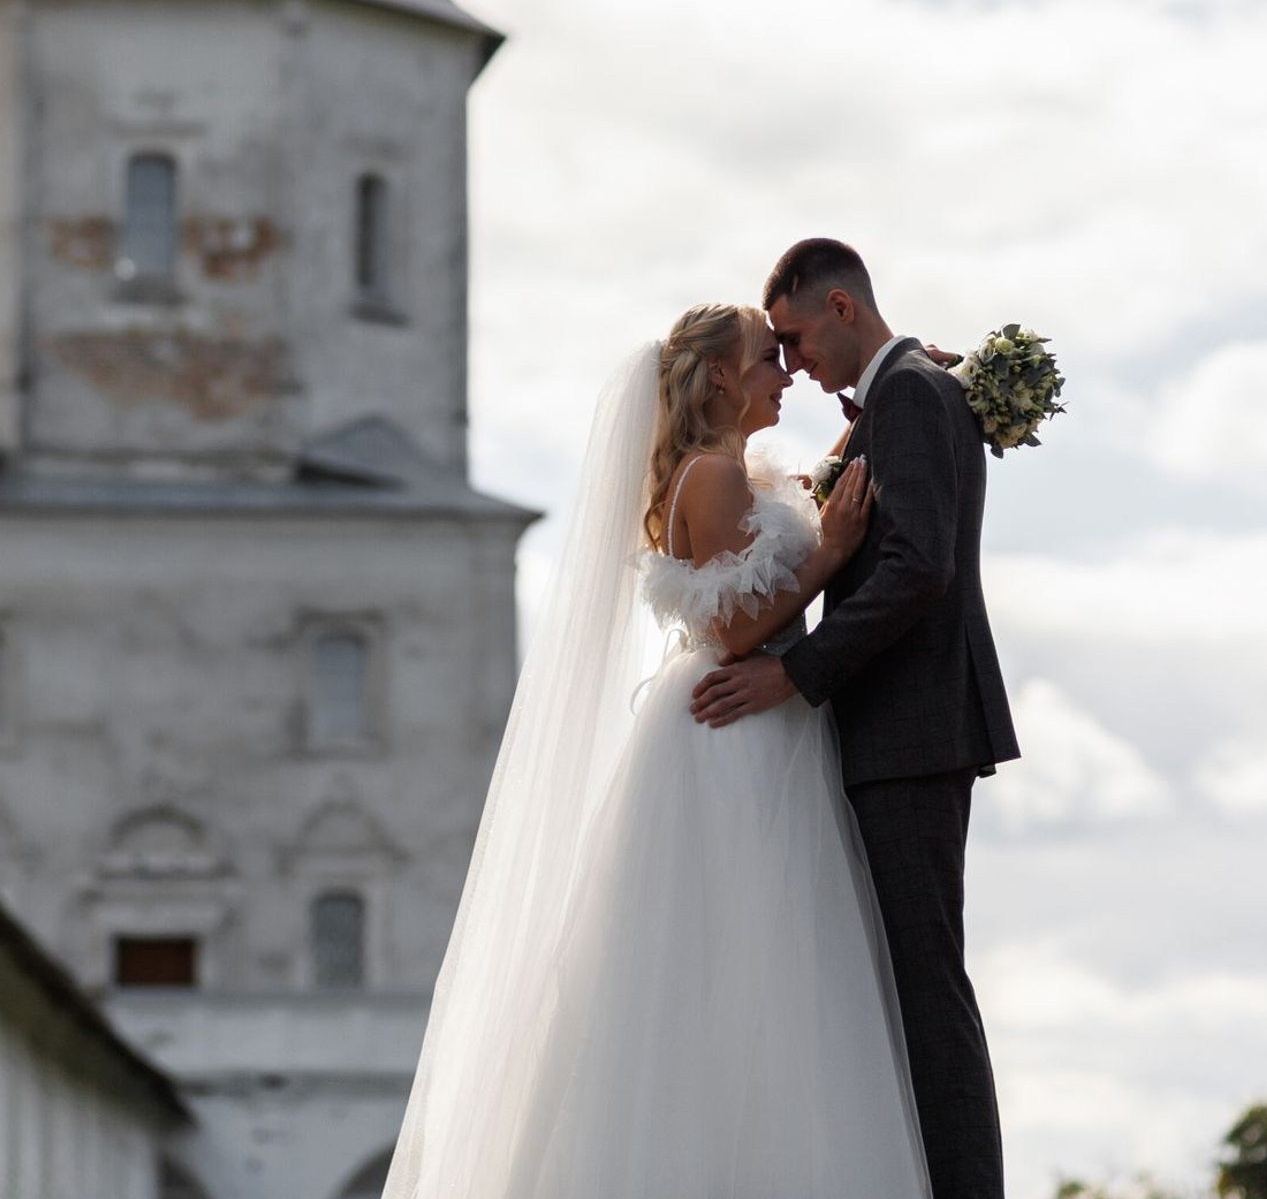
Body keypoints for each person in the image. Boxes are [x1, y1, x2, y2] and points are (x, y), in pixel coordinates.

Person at [383, 302, 933, 1199]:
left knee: (767, 962)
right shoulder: (709, 477)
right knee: (740, 953)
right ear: (719, 376)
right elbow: (732, 628)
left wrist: (908, 375)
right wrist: (831, 554)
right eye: (766, 360)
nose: (783, 374)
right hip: (732, 728)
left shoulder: (735, 469)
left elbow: (800, 511)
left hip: (761, 724)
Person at [692, 237, 1022, 1199]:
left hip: (912, 731)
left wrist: (794, 673)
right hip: (899, 729)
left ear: (841, 308)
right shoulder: (902, 397)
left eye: (792, 339)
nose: (789, 363)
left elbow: (919, 565)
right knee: (905, 983)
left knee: (927, 987)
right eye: (774, 353)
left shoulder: (910, 394)